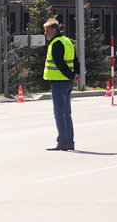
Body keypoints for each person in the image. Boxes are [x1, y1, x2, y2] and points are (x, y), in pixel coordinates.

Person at [43, 18, 79, 151]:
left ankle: (63, 142)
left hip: (59, 82)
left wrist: (71, 76)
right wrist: (75, 75)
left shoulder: (56, 43)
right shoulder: (67, 41)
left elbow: (60, 63)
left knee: (59, 114)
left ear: (54, 30)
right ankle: (69, 142)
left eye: (47, 30)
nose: (45, 33)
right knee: (66, 113)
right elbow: (75, 60)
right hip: (67, 82)